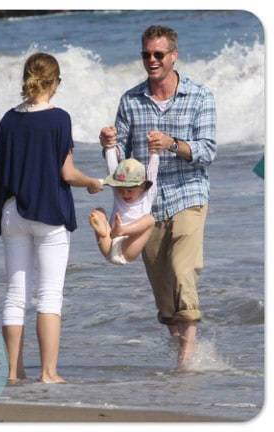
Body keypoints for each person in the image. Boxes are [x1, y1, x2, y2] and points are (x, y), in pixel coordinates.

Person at [100, 25, 216, 369]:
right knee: (165, 293)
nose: (151, 60)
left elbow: (207, 151)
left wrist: (172, 144)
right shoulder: (130, 100)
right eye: (146, 54)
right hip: (145, 206)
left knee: (182, 270)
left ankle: (185, 362)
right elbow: (119, 158)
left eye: (158, 54)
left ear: (173, 55)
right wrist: (108, 141)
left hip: (188, 195)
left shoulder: (199, 96)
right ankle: (183, 351)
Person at [0, 52, 103, 383]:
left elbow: (1, 172)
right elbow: (66, 173)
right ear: (54, 83)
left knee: (15, 294)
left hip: (12, 212)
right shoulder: (59, 119)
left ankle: (13, 372)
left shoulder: (8, 119)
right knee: (50, 294)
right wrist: (92, 183)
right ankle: (48, 372)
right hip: (48, 212)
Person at [88, 137, 159, 265]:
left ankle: (122, 230)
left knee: (149, 220)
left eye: (130, 190)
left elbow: (152, 172)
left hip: (127, 250)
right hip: (108, 242)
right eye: (121, 189)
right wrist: (110, 147)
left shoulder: (147, 195)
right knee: (98, 212)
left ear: (143, 187)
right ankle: (102, 231)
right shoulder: (119, 193)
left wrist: (154, 152)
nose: (124, 194)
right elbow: (112, 169)